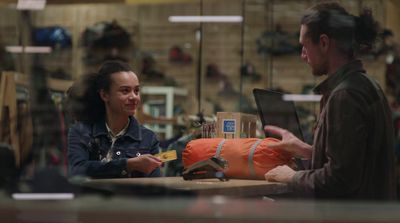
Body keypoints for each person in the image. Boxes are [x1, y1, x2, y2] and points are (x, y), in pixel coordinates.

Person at [264, 2, 397, 200]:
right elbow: (356, 161)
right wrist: (309, 151)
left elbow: (340, 180)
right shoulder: (366, 85)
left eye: (305, 46)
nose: (302, 55)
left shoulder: (346, 96)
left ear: (324, 43)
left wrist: (292, 177)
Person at [66, 60, 162, 178]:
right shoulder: (82, 132)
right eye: (125, 91)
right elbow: (77, 170)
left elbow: (155, 186)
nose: (134, 97)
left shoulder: (148, 138)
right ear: (104, 95)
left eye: (136, 91)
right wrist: (127, 165)